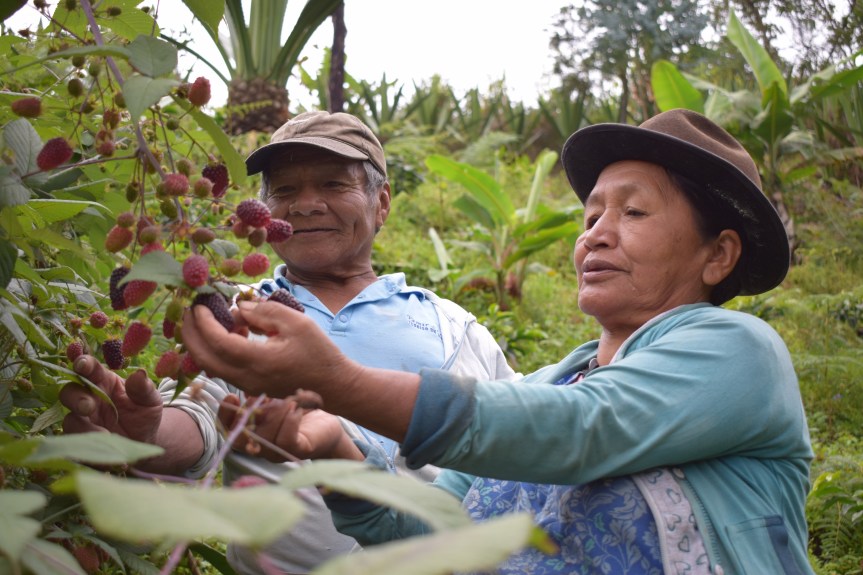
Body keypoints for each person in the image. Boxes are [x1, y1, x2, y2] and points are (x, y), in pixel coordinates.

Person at [180, 109, 816, 574]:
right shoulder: (547, 384)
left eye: (634, 213)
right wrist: (337, 451)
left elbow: (578, 430)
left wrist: (344, 383)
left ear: (718, 254)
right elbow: (429, 534)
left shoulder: (741, 352)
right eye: (591, 215)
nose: (595, 234)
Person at [59, 111, 516, 574]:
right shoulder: (239, 314)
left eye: (335, 185)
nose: (305, 205)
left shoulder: (453, 324)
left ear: (381, 203)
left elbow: (522, 437)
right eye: (284, 191)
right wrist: (144, 434)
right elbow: (201, 415)